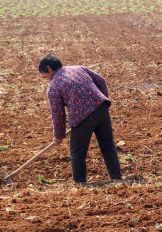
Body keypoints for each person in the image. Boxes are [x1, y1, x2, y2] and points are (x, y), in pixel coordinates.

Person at [39, 53, 123, 186]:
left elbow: (58, 114)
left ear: (49, 69)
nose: (46, 78)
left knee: (77, 153)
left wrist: (58, 136)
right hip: (101, 108)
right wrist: (102, 100)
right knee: (108, 146)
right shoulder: (79, 69)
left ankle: (80, 184)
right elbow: (101, 80)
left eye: (44, 75)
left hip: (82, 117)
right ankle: (117, 179)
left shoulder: (54, 86)